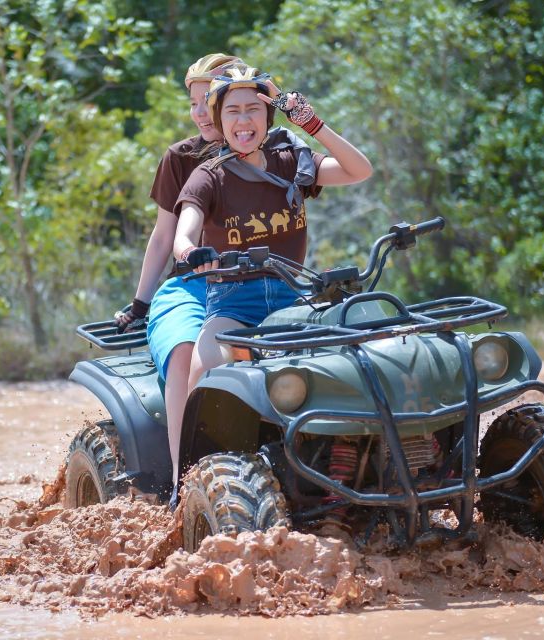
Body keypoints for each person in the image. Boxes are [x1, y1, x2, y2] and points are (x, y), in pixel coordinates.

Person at [115, 55, 316, 507]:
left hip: (262, 282)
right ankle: (181, 483)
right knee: (186, 353)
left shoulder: (275, 152)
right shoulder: (184, 159)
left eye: (208, 99)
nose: (200, 112)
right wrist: (140, 302)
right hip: (193, 284)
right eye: (194, 103)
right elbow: (166, 236)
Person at [169, 66, 372, 498]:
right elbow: (183, 233)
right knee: (204, 372)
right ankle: (187, 488)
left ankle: (349, 469)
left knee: (356, 360)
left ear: (267, 117)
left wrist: (311, 124)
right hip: (233, 306)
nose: (244, 121)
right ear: (219, 120)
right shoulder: (209, 176)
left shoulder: (290, 162)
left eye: (253, 110)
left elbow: (359, 170)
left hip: (293, 301)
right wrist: (190, 253)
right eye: (233, 112)